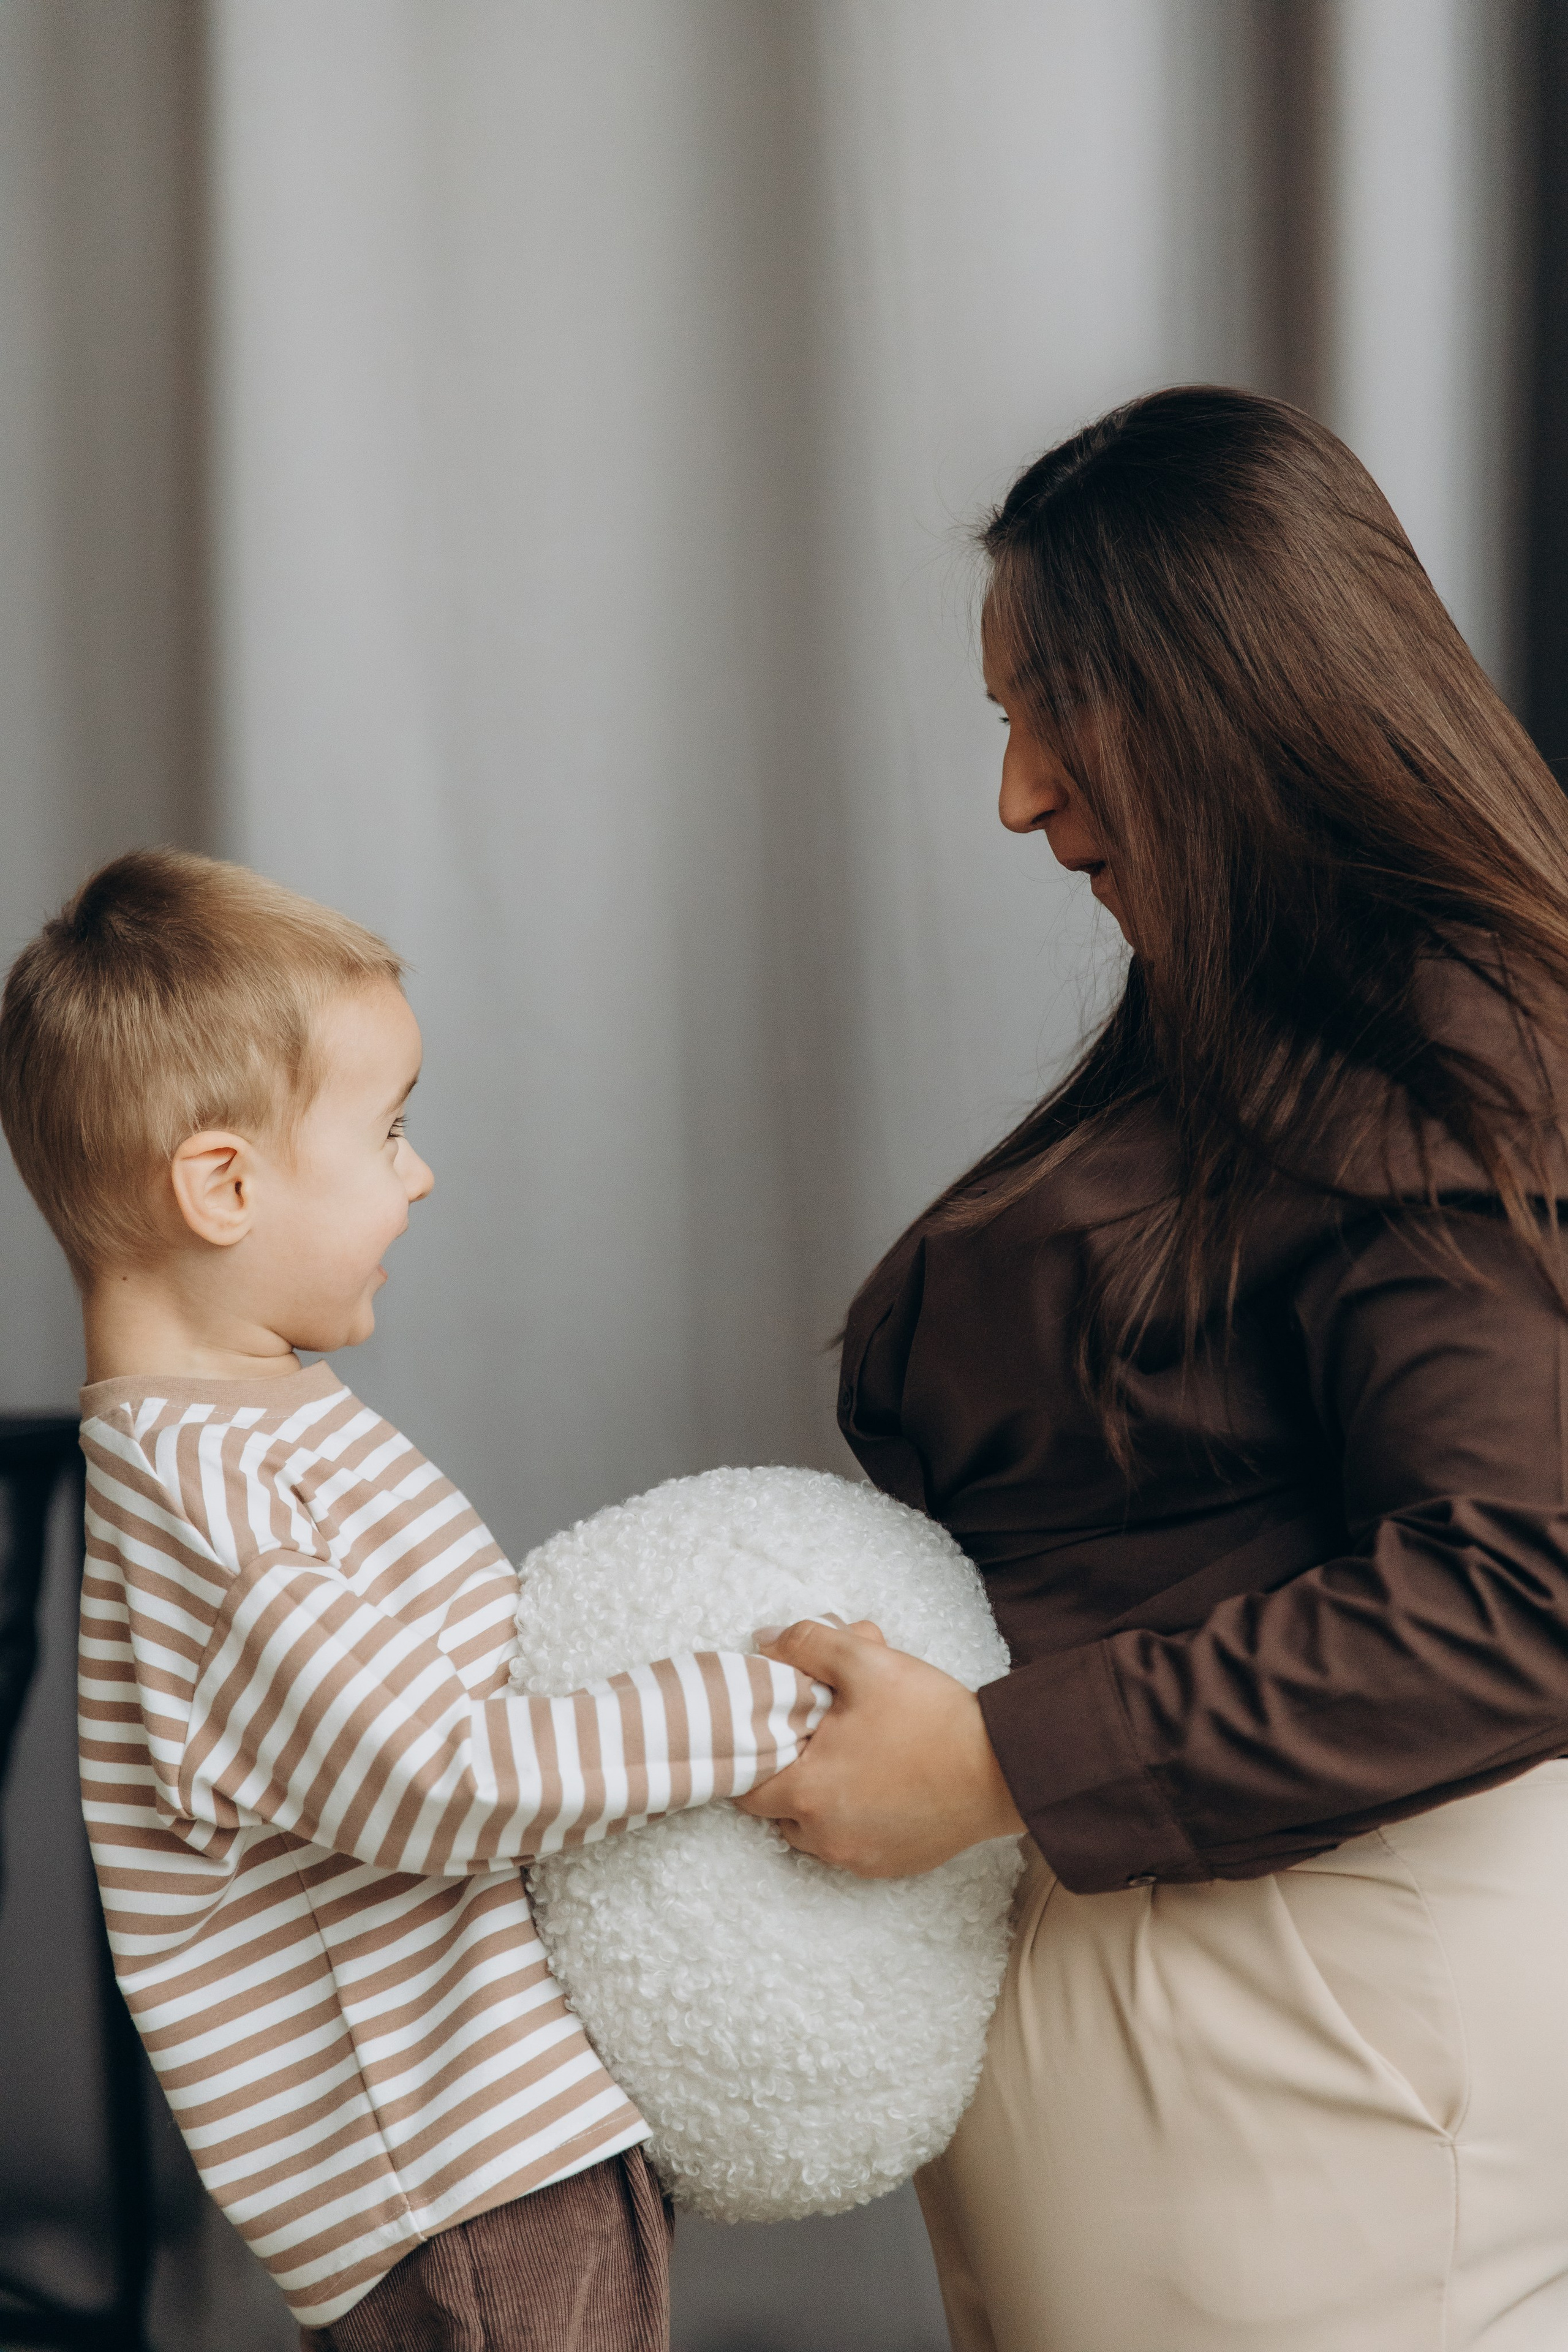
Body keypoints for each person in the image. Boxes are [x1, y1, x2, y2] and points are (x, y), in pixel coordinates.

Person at [739, 386, 1568, 2350]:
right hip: (1205, 2076)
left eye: (1059, 711)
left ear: (1232, 700)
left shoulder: (1442, 1042)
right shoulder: (1256, 1029)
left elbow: (1528, 1591)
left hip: (1306, 2063)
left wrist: (996, 1760)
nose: (1018, 796)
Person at [0, 848, 826, 2352]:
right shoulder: (211, 1502)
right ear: (223, 1184)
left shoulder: (254, 1432)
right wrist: (764, 1701)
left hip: (488, 2159)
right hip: (454, 2181)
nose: (419, 1169)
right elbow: (436, 1772)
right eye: (386, 1131)